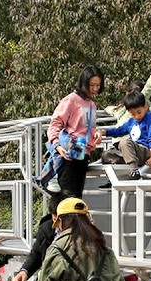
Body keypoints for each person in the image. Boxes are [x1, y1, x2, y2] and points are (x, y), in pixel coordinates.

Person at [39, 64, 104, 197]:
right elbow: (55, 124)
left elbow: (89, 128)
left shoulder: (92, 105)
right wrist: (57, 145)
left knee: (76, 197)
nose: (95, 89)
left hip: (83, 155)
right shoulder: (71, 100)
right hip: (68, 154)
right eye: (92, 85)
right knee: (68, 197)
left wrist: (96, 135)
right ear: (83, 83)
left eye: (98, 85)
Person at [98, 86, 151, 181]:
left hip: (144, 151)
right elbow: (118, 131)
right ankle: (111, 180)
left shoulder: (149, 117)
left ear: (145, 107)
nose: (137, 116)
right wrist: (104, 132)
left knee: (125, 142)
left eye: (139, 112)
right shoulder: (130, 122)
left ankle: (134, 170)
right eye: (133, 114)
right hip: (132, 153)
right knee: (106, 154)